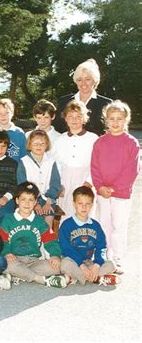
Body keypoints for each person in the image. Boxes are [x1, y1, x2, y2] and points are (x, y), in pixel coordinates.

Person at [91, 101, 140, 274]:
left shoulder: (131, 143)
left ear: (126, 120)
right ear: (106, 120)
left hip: (121, 194)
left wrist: (114, 188)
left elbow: (132, 170)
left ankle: (118, 257)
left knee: (119, 225)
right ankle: (105, 255)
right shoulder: (100, 142)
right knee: (104, 224)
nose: (115, 122)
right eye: (112, 118)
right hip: (103, 192)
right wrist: (100, 187)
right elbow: (94, 167)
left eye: (119, 118)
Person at [0, 182, 66, 288]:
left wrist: (55, 255)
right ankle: (39, 279)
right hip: (14, 259)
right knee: (5, 264)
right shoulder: (8, 219)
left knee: (57, 267)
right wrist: (6, 253)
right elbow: (2, 240)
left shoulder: (39, 221)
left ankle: (20, 274)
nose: (27, 203)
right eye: (23, 199)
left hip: (34, 261)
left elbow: (51, 240)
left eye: (31, 200)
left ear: (35, 202)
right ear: (17, 201)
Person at [59, 186, 120, 286]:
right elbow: (66, 248)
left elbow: (102, 246)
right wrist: (81, 265)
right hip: (73, 261)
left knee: (111, 265)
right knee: (64, 264)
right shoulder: (66, 225)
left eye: (87, 204)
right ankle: (97, 278)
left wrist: (97, 264)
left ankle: (76, 277)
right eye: (80, 203)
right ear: (74, 203)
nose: (84, 207)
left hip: (89, 262)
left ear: (92, 205)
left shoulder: (95, 225)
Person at [53, 101, 98, 222]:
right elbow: (56, 164)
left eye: (78, 116)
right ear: (65, 119)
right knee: (65, 215)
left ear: (84, 119)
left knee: (84, 214)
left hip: (85, 180)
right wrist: (58, 184)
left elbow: (97, 164)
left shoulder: (93, 138)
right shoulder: (60, 140)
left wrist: (89, 182)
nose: (74, 120)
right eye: (70, 116)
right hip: (65, 182)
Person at [54, 58, 112, 136]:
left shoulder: (107, 104)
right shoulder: (64, 101)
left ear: (95, 81)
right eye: (79, 79)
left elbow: (111, 131)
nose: (83, 83)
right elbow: (57, 129)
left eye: (87, 79)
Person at [17, 130, 61, 228]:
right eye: (35, 143)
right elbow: (22, 185)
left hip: (48, 200)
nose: (39, 146)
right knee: (31, 225)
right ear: (30, 144)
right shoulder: (24, 162)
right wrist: (35, 204)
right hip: (29, 200)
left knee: (47, 222)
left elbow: (55, 183)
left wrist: (48, 202)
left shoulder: (51, 162)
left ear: (46, 145)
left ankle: (46, 241)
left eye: (42, 143)